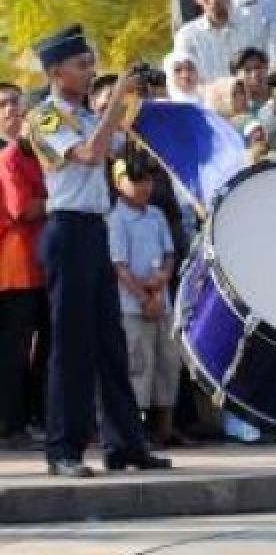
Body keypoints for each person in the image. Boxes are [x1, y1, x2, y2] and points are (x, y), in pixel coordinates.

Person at [26, 26, 170, 477]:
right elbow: (89, 155)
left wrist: (136, 101)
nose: (90, 73)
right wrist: (113, 102)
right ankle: (63, 449)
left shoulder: (89, 116)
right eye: (81, 65)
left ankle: (125, 444)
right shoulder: (44, 117)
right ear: (55, 72)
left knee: (111, 342)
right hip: (66, 230)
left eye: (91, 65)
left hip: (95, 230)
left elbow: (123, 147)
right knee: (70, 344)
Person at [107, 157, 179, 448]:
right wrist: (144, 298)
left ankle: (166, 428)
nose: (143, 187)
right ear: (119, 183)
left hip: (161, 301)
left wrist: (162, 281)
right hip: (132, 305)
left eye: (147, 180)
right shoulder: (116, 219)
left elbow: (169, 253)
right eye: (135, 181)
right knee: (138, 365)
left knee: (167, 363)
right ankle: (136, 431)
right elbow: (119, 266)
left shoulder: (157, 215)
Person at [0, 84, 46, 449]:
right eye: (4, 105)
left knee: (44, 348)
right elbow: (21, 210)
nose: (12, 110)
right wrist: (60, 196)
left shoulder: (40, 151)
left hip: (44, 262)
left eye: (17, 103)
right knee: (14, 349)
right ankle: (12, 424)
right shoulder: (11, 155)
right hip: (15, 266)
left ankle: (38, 418)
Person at [174, 0, 267, 87]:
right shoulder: (187, 36)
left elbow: (266, 66)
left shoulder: (252, 22)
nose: (213, 0)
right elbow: (185, 84)